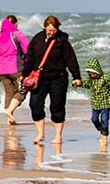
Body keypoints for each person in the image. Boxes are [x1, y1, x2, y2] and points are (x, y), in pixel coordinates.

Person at [24, 15, 82, 145]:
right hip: (40, 79)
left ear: (57, 29)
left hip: (58, 78)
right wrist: (25, 74)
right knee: (35, 104)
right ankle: (40, 134)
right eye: (49, 30)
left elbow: (71, 59)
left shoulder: (62, 41)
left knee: (57, 106)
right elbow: (30, 58)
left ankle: (58, 136)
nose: (51, 33)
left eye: (54, 30)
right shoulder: (37, 39)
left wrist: (77, 77)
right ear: (45, 27)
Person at [0, 16, 29, 125]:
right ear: (14, 24)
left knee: (9, 92)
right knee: (23, 90)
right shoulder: (17, 34)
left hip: (2, 70)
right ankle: (10, 111)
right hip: (16, 68)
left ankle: (9, 119)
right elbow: (27, 49)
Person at [81, 57, 110, 145]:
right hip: (95, 104)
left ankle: (104, 136)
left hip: (105, 103)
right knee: (94, 119)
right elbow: (86, 84)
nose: (92, 75)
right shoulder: (90, 79)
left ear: (97, 71)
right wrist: (78, 84)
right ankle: (101, 129)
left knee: (104, 120)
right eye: (90, 73)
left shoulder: (105, 77)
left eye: (93, 73)